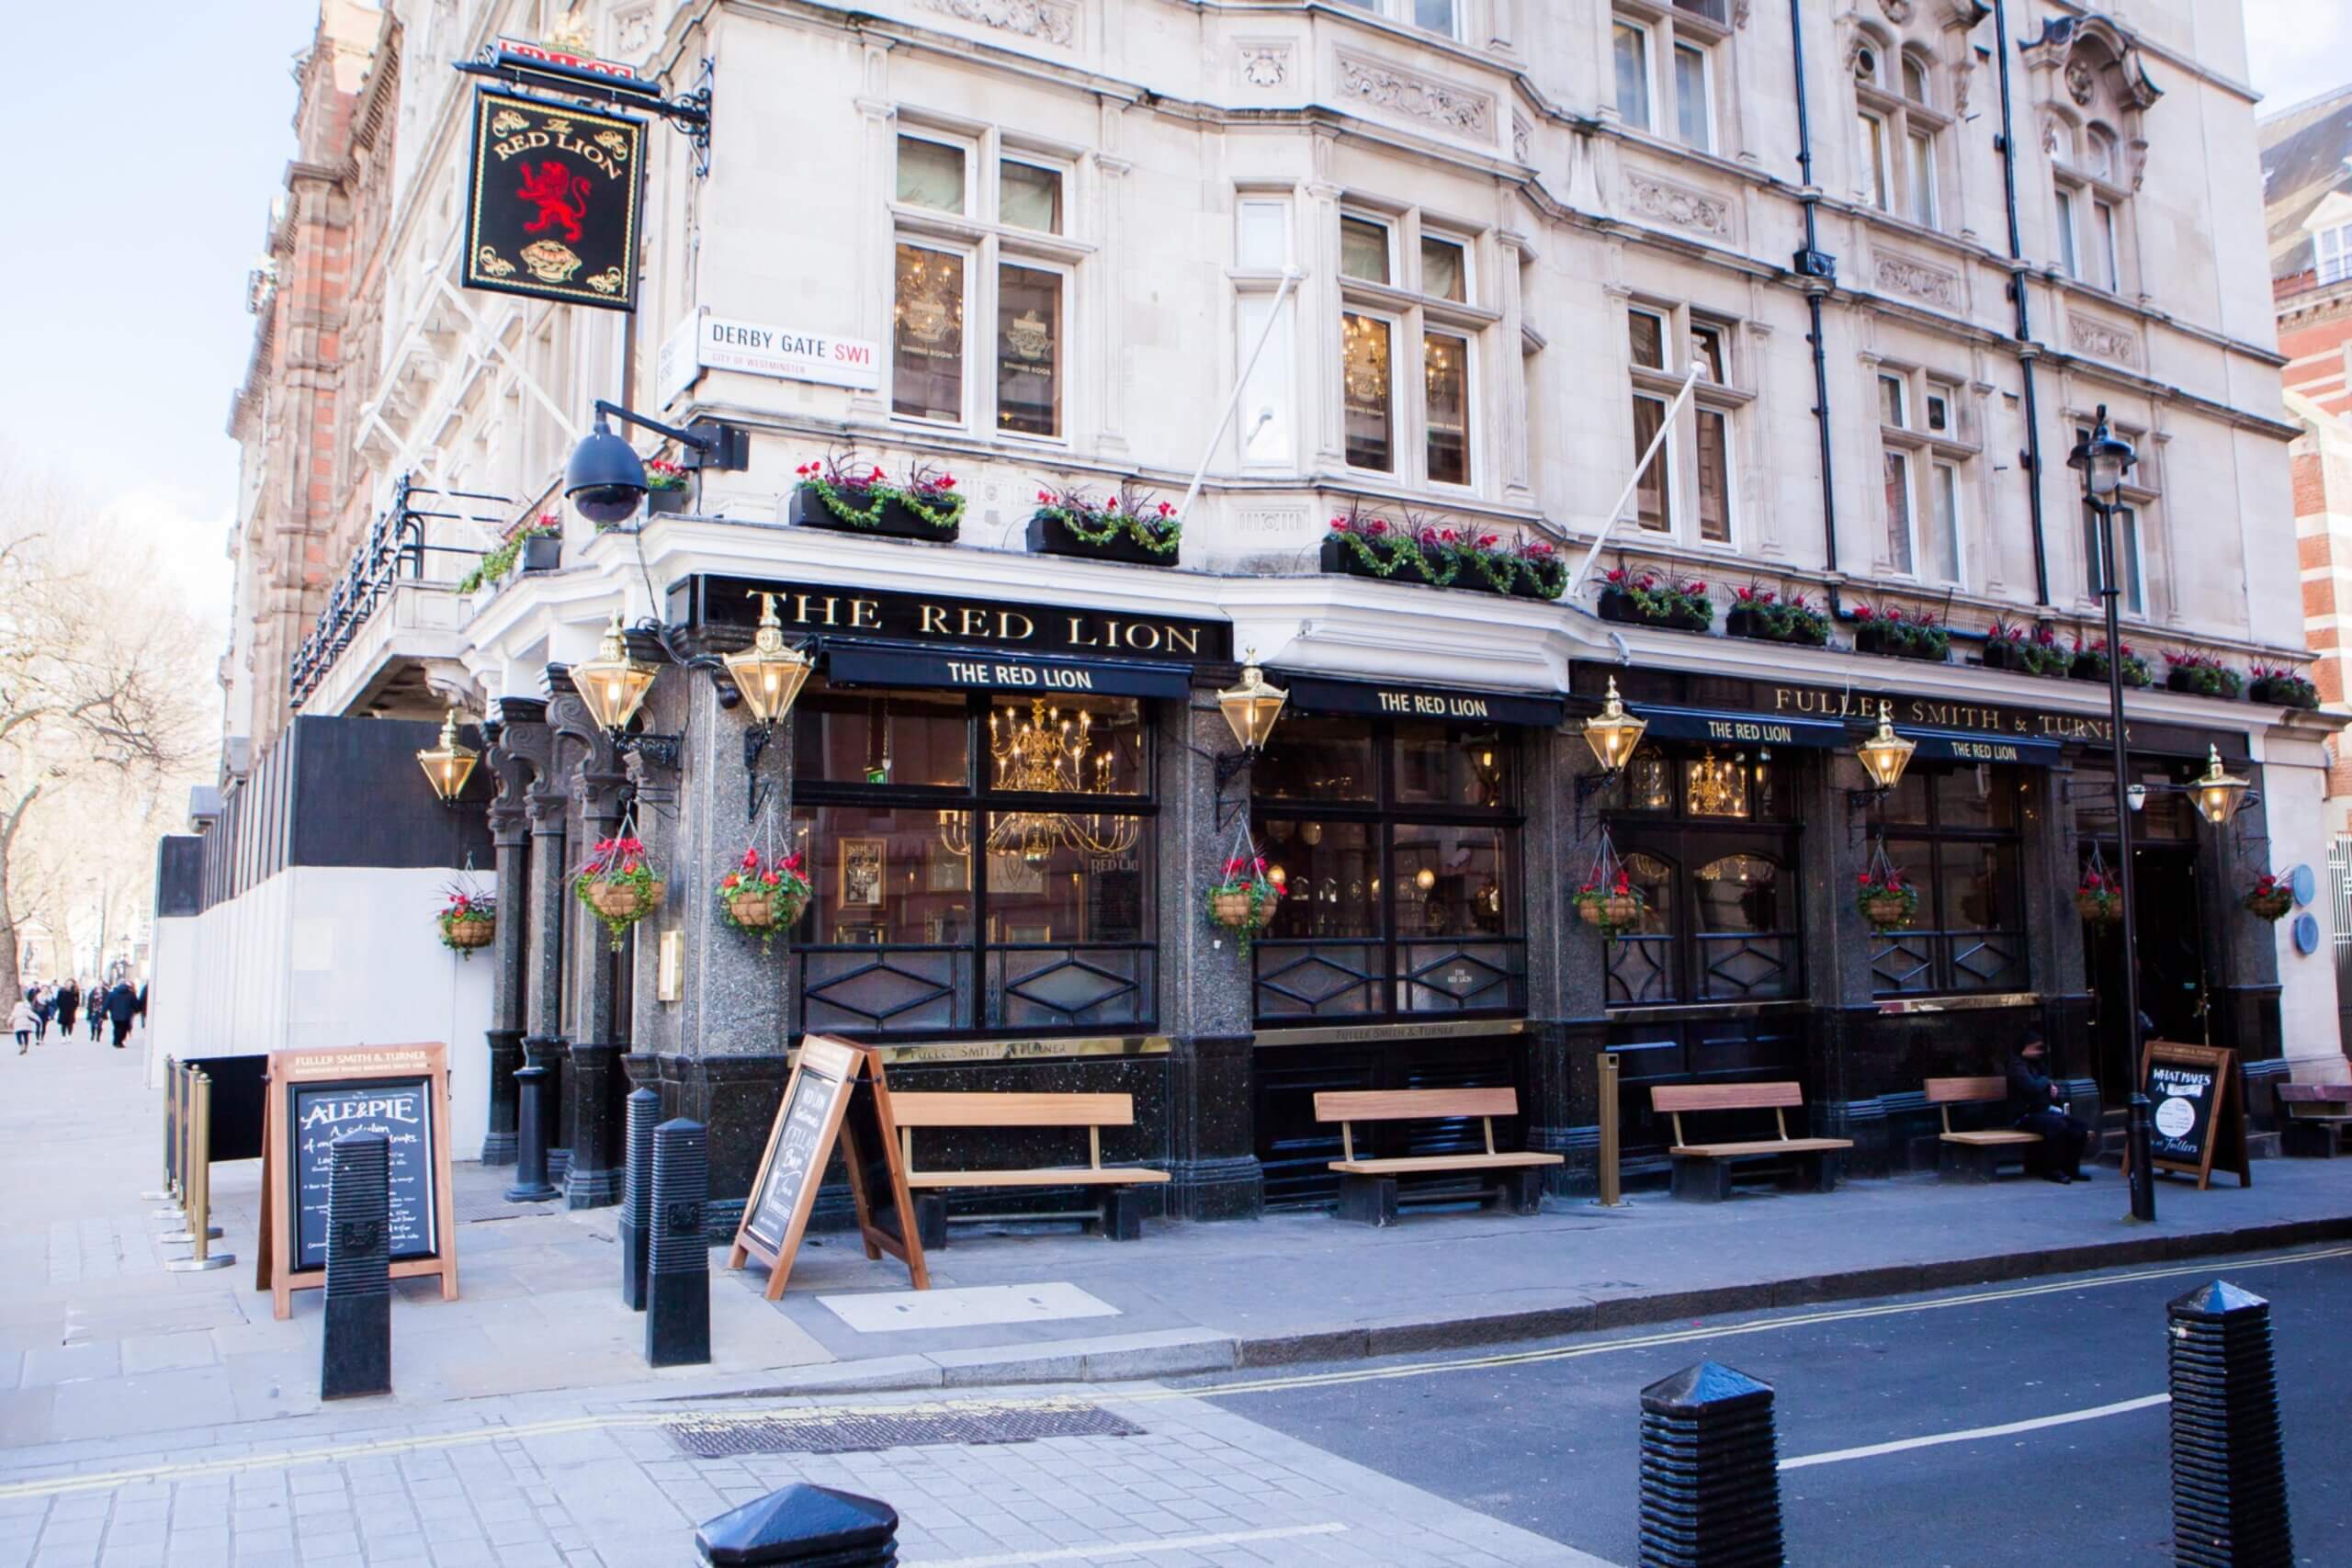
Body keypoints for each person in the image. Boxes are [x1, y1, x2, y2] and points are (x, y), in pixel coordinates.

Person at [2007, 1032, 2094, 1183]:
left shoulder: (2039, 1065)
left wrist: (2050, 1089)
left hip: (2044, 1111)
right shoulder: (2016, 1066)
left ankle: (2071, 1168)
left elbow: (2045, 1087)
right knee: (2057, 1126)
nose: (2039, 1052)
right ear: (2024, 1048)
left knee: (2080, 1127)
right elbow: (2031, 1087)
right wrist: (2046, 1082)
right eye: (2035, 1048)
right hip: (2025, 1115)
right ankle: (2052, 1169)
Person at [102, 979, 137, 1050]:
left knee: (116, 1028)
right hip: (126, 1015)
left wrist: (103, 1013)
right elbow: (135, 1004)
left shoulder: (112, 993)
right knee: (123, 1029)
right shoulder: (130, 994)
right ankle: (119, 1042)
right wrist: (135, 1010)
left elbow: (106, 1004)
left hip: (115, 1015)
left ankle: (116, 1041)